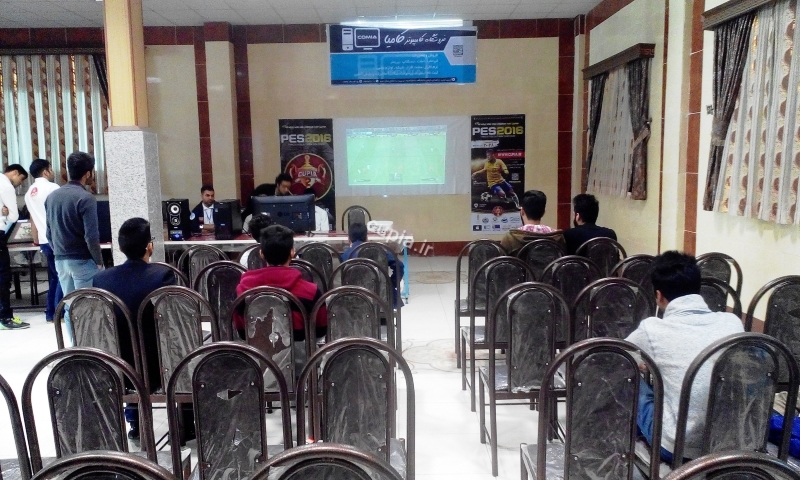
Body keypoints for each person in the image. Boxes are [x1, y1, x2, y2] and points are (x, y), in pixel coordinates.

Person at [625, 251, 743, 463]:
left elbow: (618, 357)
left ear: (659, 295)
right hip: (728, 443)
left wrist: (645, 364)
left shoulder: (652, 329)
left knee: (630, 379)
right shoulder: (732, 322)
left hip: (678, 447)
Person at [92, 218, 176, 439]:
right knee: (179, 347)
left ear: (120, 248)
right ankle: (185, 423)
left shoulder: (101, 280)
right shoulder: (162, 275)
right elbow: (173, 319)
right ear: (150, 246)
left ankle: (135, 423)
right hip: (159, 367)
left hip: (115, 367)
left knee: (125, 346)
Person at [234, 224, 327, 342]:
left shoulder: (242, 290)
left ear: (261, 253)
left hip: (254, 352)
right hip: (301, 353)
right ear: (292, 252)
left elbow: (242, 332)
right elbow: (320, 331)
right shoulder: (311, 292)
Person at [46, 152, 103, 341]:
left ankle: (76, 345)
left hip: (61, 260)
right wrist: (99, 261)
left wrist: (58, 252)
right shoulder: (86, 198)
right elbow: (91, 236)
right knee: (89, 306)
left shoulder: (52, 197)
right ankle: (92, 347)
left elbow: (48, 233)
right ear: (88, 173)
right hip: (83, 260)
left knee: (70, 306)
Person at [24, 159, 62, 323]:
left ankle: (50, 313)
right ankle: (58, 313)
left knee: (54, 277)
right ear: (46, 171)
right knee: (62, 277)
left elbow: (32, 218)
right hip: (57, 239)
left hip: (43, 240)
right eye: (51, 169)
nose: (52, 172)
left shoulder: (29, 193)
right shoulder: (53, 188)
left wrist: (36, 239)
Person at [342, 222, 404, 307]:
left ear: (348, 239)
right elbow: (399, 266)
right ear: (367, 237)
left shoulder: (344, 256)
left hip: (355, 301)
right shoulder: (380, 251)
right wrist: (391, 283)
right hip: (382, 298)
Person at [0, 164, 29, 330]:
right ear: (15, 172)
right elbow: (13, 216)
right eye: (21, 179)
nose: (20, 183)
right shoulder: (6, 185)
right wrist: (5, 213)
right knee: (3, 276)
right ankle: (5, 318)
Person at [500, 190, 565, 255]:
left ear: (522, 211)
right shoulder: (558, 237)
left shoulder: (510, 238)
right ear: (543, 212)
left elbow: (501, 260)